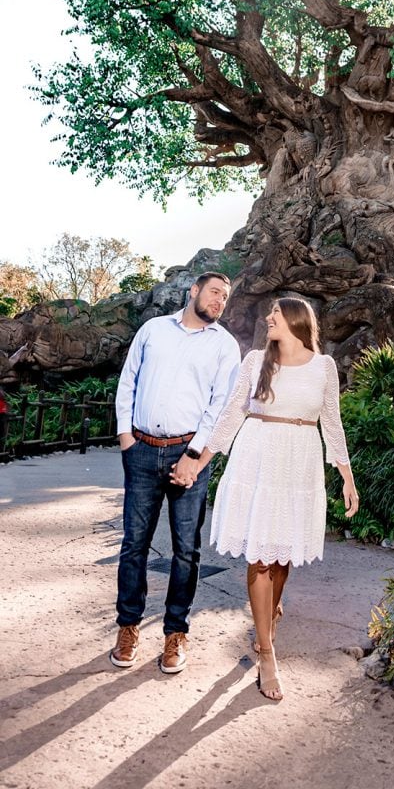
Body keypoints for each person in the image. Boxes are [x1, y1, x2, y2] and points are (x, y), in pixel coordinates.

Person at [171, 296, 359, 701]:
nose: (267, 318)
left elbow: (332, 421)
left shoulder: (323, 367)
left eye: (275, 314)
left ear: (295, 320)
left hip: (300, 464)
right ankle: (267, 652)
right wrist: (199, 461)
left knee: (282, 554)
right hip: (257, 460)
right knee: (260, 555)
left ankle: (272, 611)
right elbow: (232, 415)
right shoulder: (256, 361)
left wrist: (346, 475)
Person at [110, 271, 241, 674]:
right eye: (215, 292)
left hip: (188, 454)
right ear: (194, 291)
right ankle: (128, 627)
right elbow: (128, 380)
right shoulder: (153, 329)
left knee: (186, 550)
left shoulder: (225, 346)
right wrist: (125, 437)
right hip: (143, 451)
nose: (220, 300)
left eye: (226, 297)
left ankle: (174, 634)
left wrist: (194, 455)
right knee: (134, 543)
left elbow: (221, 406)